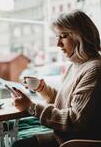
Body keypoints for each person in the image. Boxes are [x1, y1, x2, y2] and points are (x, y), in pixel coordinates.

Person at [12, 10, 101, 147]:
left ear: (80, 36)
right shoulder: (76, 66)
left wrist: (31, 107)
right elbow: (65, 105)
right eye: (57, 36)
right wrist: (43, 89)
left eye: (63, 36)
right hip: (64, 138)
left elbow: (73, 119)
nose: (58, 44)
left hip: (75, 142)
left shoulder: (94, 69)